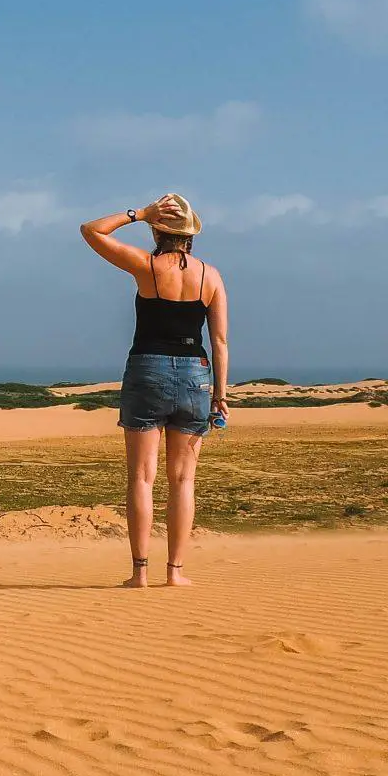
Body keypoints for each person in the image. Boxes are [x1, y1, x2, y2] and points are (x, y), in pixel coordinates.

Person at [79, 194, 228, 587]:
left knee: (142, 478)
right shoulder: (210, 276)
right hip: (196, 374)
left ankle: (138, 573)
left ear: (158, 231)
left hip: (147, 369)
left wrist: (138, 213)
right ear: (191, 235)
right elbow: (220, 343)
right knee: (183, 481)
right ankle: (175, 573)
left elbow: (91, 231)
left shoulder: (145, 266)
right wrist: (221, 395)